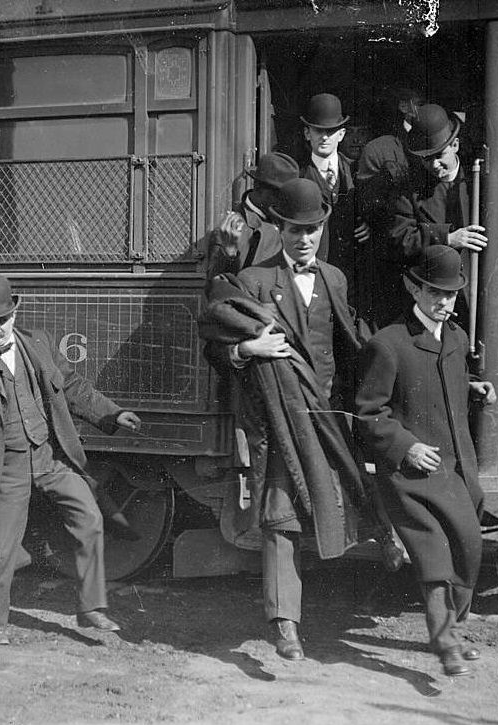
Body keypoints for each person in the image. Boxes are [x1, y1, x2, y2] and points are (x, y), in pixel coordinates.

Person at [200, 178, 387, 661]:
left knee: (338, 504)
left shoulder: (334, 278)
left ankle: (383, 547)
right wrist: (246, 348)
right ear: (279, 229)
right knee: (280, 518)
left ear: (323, 229)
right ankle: (285, 625)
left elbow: (351, 345)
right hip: (281, 421)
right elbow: (215, 346)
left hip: (325, 421)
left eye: (313, 229)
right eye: (294, 229)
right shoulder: (255, 281)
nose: (304, 239)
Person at [0, 274, 141, 645]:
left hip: (49, 458)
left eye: (1, 320)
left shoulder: (38, 343)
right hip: (5, 467)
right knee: (1, 547)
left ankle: (91, 608)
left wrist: (111, 414)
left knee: (89, 518)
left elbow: (74, 387)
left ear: (15, 312)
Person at [355, 245, 497, 676]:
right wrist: (406, 446)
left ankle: (452, 626)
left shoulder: (454, 338)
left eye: (451, 295)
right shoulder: (389, 343)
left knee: (468, 550)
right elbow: (368, 412)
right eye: (434, 292)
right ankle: (445, 642)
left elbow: (441, 381)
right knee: (433, 552)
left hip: (456, 469)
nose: (443, 302)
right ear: (412, 287)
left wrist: (474, 387)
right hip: (411, 474)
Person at [387, 103, 487, 328]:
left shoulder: (480, 182)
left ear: (456, 145)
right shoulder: (407, 189)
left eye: (440, 155)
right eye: (426, 158)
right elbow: (400, 238)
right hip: (433, 304)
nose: (434, 164)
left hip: (479, 300)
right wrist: (447, 238)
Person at [298, 93, 370, 279]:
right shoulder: (299, 176)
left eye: (330, 131)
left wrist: (369, 224)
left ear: (341, 134)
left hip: (349, 272)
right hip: (311, 272)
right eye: (318, 131)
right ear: (307, 133)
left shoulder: (357, 173)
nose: (324, 137)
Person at [205, 152, 300, 280]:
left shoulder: (287, 221)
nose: (285, 203)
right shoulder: (232, 230)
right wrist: (229, 253)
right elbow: (215, 287)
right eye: (280, 195)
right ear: (259, 188)